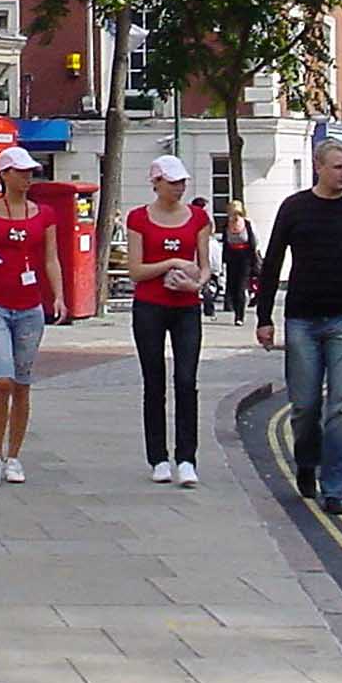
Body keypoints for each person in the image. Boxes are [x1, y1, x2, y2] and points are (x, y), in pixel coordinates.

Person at [255, 140, 342, 516]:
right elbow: (272, 263)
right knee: (304, 407)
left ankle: (335, 488)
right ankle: (306, 460)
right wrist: (264, 317)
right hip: (301, 318)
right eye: (338, 167)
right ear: (319, 167)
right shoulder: (295, 208)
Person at [0, 145, 64, 488]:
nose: (28, 177)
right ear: (4, 174)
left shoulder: (45, 213)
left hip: (29, 307)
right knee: (3, 379)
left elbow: (51, 258)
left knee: (23, 384)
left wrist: (59, 297)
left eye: (31, 171)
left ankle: (15, 456)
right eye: (21, 172)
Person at [127, 156, 210, 487]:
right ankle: (158, 457)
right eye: (172, 182)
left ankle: (187, 458)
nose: (179, 188)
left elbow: (204, 266)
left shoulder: (199, 218)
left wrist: (197, 283)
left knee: (186, 380)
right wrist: (172, 262)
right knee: (154, 380)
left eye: (182, 182)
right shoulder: (138, 219)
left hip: (186, 306)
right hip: (150, 305)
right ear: (156, 183)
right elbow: (136, 270)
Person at [221, 201, 256, 324]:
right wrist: (223, 260)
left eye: (238, 213)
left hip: (245, 258)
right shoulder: (226, 225)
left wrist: (254, 261)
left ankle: (239, 316)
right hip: (232, 258)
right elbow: (225, 243)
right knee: (232, 287)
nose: (235, 216)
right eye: (232, 213)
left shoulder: (247, 224)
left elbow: (252, 243)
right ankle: (235, 309)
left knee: (241, 287)